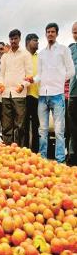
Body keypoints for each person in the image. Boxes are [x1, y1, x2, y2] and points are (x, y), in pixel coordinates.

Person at [32, 23, 75, 163]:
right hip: (43, 95)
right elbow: (39, 74)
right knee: (42, 130)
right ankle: (43, 159)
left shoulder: (63, 50)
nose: (50, 34)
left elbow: (71, 71)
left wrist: (59, 80)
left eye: (52, 32)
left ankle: (60, 160)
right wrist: (29, 81)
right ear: (45, 34)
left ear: (57, 34)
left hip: (57, 94)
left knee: (59, 131)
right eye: (48, 32)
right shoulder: (42, 53)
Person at [0, 29, 32, 146]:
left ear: (19, 39)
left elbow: (29, 75)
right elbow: (1, 74)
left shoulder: (25, 54)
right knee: (6, 124)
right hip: (6, 93)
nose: (13, 41)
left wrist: (23, 85)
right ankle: (7, 150)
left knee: (20, 125)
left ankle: (20, 151)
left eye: (15, 38)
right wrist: (1, 84)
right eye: (11, 39)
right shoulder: (5, 56)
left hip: (19, 94)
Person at [23, 34, 39, 153]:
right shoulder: (22, 55)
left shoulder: (40, 57)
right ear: (28, 42)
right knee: (24, 125)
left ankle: (35, 151)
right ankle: (24, 150)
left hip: (37, 95)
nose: (37, 42)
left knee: (36, 125)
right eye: (35, 40)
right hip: (24, 95)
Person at [67, 22, 77, 165]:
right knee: (73, 128)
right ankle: (73, 156)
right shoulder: (71, 49)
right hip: (74, 94)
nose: (76, 34)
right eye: (74, 32)